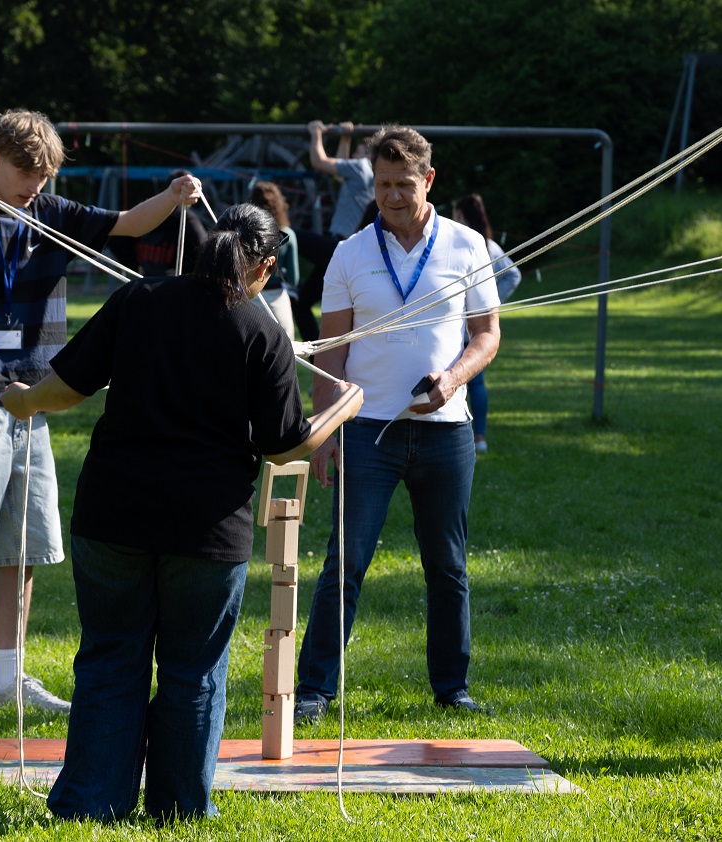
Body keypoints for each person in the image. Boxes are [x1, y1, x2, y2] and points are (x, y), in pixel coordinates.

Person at [0, 204, 363, 822]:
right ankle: (179, 811)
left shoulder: (137, 300)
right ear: (267, 268)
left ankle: (91, 804)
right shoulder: (262, 330)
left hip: (114, 514)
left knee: (111, 656)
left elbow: (68, 386)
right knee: (193, 670)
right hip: (207, 528)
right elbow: (282, 444)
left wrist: (25, 402)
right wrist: (341, 411)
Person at [0, 110, 203, 723]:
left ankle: (9, 677)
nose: (34, 184)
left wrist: (171, 195)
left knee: (23, 548)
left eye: (44, 174)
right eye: (25, 171)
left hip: (33, 402)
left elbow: (128, 225)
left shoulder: (54, 214)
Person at [293, 125, 501, 724]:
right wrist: (323, 432)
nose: (390, 196)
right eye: (382, 184)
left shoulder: (467, 247)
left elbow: (486, 337)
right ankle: (315, 690)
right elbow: (331, 350)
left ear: (428, 180)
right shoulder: (351, 251)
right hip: (366, 432)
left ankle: (452, 688)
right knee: (346, 561)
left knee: (447, 563)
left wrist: (453, 379)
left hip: (446, 433)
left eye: (403, 184)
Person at [292, 120, 375, 340]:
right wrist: (345, 138)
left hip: (338, 246)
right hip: (344, 252)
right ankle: (317, 358)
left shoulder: (361, 167)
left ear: (364, 153)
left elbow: (320, 161)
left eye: (355, 152)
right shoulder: (372, 174)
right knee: (302, 303)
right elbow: (339, 171)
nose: (351, 159)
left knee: (288, 234)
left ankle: (281, 279)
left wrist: (316, 133)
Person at [452, 193, 521, 454]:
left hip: (473, 328)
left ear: (462, 215)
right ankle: (465, 435)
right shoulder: (456, 242)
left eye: (456, 212)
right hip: (453, 326)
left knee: (474, 382)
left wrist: (488, 305)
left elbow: (513, 275)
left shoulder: (484, 245)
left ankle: (477, 437)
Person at [247, 180, 298, 338]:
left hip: (249, 297)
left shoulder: (245, 233)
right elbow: (293, 279)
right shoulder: (287, 234)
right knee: (284, 347)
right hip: (276, 298)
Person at [134, 169, 207, 277]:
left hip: (151, 280)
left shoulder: (150, 211)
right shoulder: (188, 220)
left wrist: (184, 272)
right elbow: (206, 252)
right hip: (163, 282)